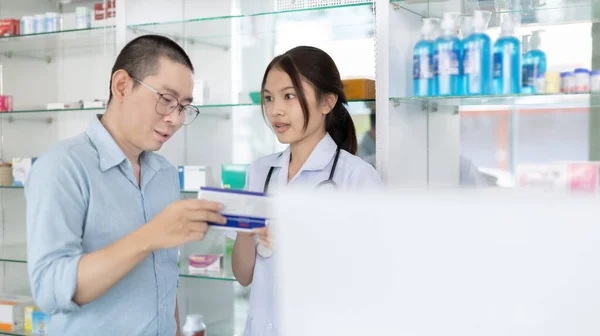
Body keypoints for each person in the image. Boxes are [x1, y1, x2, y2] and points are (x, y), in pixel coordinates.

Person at [25, 34, 226, 336]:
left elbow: (164, 280)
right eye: (166, 100)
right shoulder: (62, 167)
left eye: (184, 106)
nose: (174, 118)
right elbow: (50, 289)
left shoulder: (165, 174)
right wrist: (150, 236)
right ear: (121, 86)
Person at [230, 46, 383, 336]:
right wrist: (245, 228)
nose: (275, 110)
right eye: (268, 98)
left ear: (327, 102)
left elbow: (372, 282)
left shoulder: (356, 177)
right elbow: (243, 275)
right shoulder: (260, 172)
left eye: (289, 96)